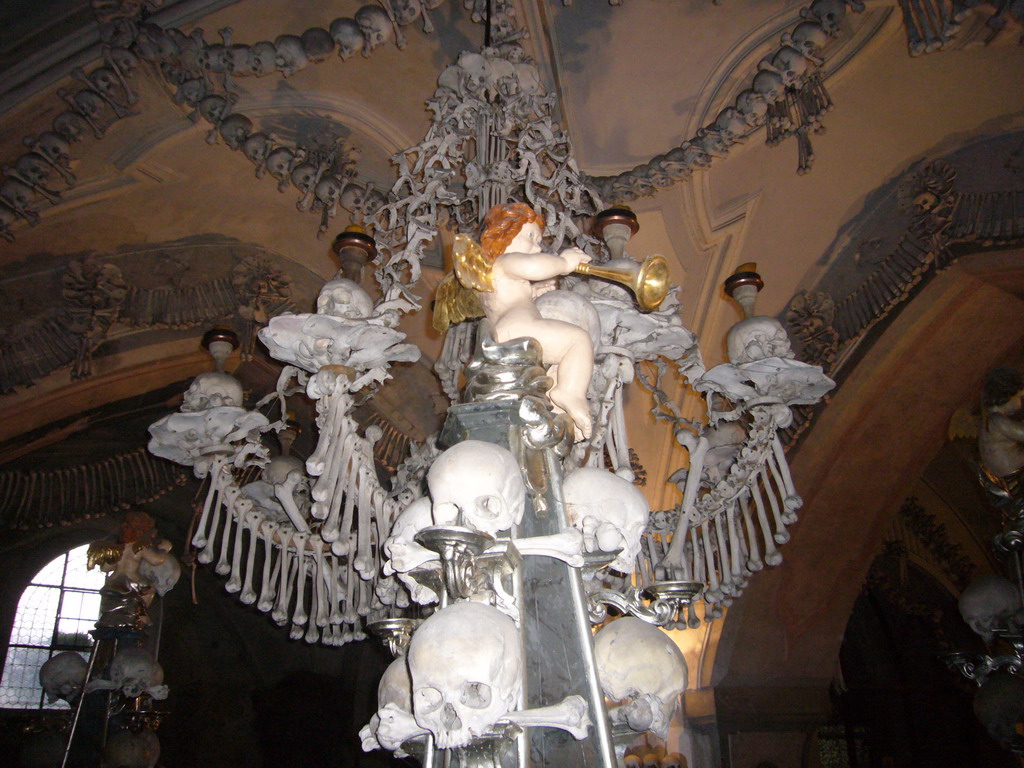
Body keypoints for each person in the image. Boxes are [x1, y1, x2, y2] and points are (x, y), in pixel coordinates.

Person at [468, 203, 595, 438]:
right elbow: (534, 266)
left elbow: (512, 297)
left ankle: (559, 409)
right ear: (505, 234)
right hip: (521, 329)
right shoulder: (505, 260)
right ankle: (570, 393)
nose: (537, 246)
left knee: (560, 364)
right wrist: (564, 263)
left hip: (507, 332)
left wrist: (535, 292)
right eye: (530, 236)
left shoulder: (494, 275)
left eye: (538, 240)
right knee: (577, 340)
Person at [979, 366, 1024, 481]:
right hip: (1014, 474)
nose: (1021, 402)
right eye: (1020, 397)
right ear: (1009, 396)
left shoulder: (989, 417)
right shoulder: (998, 421)